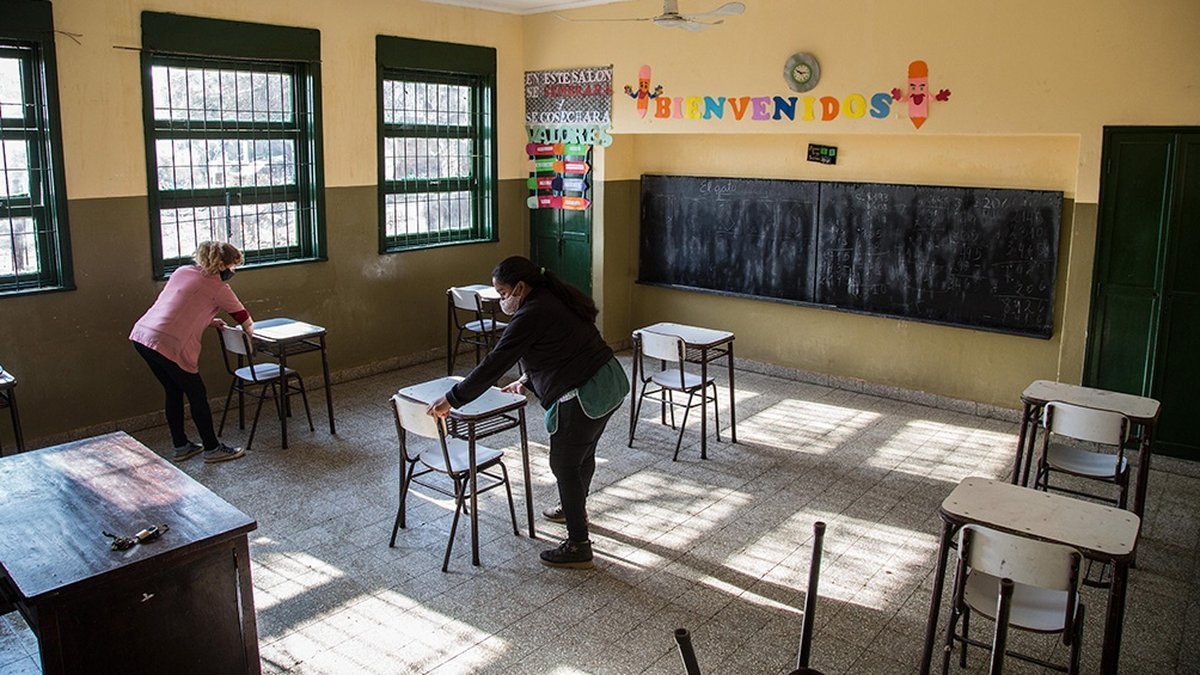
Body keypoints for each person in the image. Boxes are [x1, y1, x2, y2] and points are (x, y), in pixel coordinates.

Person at [428, 256, 628, 569]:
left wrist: (452, 399)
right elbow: (562, 345)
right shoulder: (550, 298)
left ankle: (578, 545)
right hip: (609, 380)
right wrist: (527, 379)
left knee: (563, 462)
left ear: (520, 287)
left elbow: (495, 363)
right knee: (581, 454)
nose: (501, 299)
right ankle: (574, 509)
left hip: (585, 392)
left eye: (503, 292)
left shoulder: (533, 312)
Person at [129, 241, 252, 463]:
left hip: (143, 335)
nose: (234, 272)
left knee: (173, 390)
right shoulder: (219, 287)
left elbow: (180, 304)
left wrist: (209, 319)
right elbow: (243, 318)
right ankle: (212, 448)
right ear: (222, 265)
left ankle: (181, 446)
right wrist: (253, 337)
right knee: (197, 394)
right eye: (233, 267)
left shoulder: (182, 272)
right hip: (168, 342)